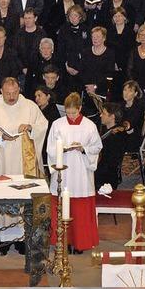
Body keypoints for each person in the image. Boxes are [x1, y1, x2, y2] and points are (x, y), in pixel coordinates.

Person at [0, 77, 48, 255]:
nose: (11, 97)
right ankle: (2, 239)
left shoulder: (30, 106)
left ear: (19, 90)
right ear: (1, 91)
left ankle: (22, 239)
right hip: (1, 158)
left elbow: (43, 124)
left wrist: (31, 127)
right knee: (2, 196)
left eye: (15, 93)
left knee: (21, 195)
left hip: (21, 161)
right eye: (8, 93)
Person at [46, 92, 102, 253]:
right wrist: (62, 148)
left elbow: (97, 147)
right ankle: (63, 242)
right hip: (63, 171)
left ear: (80, 108)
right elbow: (50, 148)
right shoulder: (58, 124)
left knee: (80, 211)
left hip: (81, 173)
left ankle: (80, 243)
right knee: (61, 206)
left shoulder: (89, 125)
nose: (70, 116)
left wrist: (83, 148)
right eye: (68, 112)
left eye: (74, 112)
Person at [94, 102, 127, 190]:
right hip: (103, 171)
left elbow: (111, 162)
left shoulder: (116, 136)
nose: (101, 115)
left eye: (104, 113)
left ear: (112, 116)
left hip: (107, 177)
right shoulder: (108, 132)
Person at [58, 4, 89, 93]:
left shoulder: (86, 30)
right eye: (71, 15)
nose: (73, 18)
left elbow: (88, 49)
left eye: (75, 15)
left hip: (82, 68)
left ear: (80, 16)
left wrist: (79, 67)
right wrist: (66, 65)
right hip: (67, 67)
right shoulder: (63, 29)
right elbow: (61, 49)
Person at [106, 7, 137, 95]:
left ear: (124, 17)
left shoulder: (130, 32)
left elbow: (132, 51)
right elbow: (108, 49)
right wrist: (113, 63)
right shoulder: (109, 32)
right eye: (115, 16)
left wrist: (124, 64)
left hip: (126, 65)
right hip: (112, 65)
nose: (117, 18)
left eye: (120, 16)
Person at [80, 26, 116, 100]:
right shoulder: (85, 52)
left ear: (104, 38)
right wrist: (88, 86)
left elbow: (109, 74)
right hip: (87, 89)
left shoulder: (110, 54)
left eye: (97, 36)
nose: (95, 39)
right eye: (93, 37)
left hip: (102, 90)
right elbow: (82, 71)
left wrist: (95, 87)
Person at [15, 8, 47, 90]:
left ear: (35, 18)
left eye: (30, 18)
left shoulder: (42, 33)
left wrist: (32, 70)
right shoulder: (19, 33)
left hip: (37, 72)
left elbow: (43, 53)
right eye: (25, 18)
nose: (27, 20)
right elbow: (15, 53)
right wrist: (22, 68)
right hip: (22, 72)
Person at [34, 85, 61, 173]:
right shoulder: (36, 110)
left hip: (48, 144)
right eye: (36, 96)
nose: (37, 99)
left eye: (39, 95)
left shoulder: (53, 111)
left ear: (48, 96)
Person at [121, 80, 145, 153]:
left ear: (135, 93)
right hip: (124, 133)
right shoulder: (121, 105)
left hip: (133, 138)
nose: (126, 93)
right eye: (125, 90)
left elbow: (131, 124)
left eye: (130, 91)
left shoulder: (139, 107)